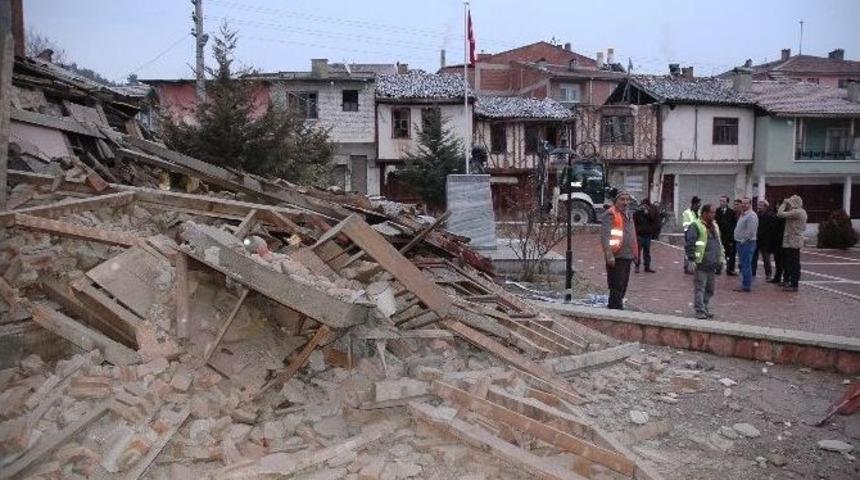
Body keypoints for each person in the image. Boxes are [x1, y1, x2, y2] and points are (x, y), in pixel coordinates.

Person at [685, 204, 725, 319]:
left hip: (712, 264)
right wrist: (692, 259)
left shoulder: (714, 226)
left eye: (714, 213)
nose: (713, 215)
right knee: (700, 288)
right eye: (711, 213)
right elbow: (690, 243)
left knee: (710, 289)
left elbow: (719, 244)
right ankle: (700, 310)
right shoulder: (696, 225)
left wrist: (721, 259)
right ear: (704, 213)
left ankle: (705, 306)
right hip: (701, 263)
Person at [601, 191, 638, 310]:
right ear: (616, 201)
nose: (625, 202)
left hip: (628, 255)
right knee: (617, 285)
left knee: (623, 286)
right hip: (617, 255)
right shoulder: (610, 214)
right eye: (622, 199)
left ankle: (616, 306)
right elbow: (605, 236)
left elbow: (632, 235)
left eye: (627, 200)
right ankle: (615, 309)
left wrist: (635, 253)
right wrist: (609, 254)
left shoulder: (629, 214)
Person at [777, 195, 808, 292]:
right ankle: (790, 281)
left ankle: (794, 284)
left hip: (793, 241)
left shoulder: (797, 212)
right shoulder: (801, 211)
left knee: (793, 263)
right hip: (793, 240)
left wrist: (784, 203)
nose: (789, 205)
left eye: (791, 202)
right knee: (791, 262)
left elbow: (780, 214)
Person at [733, 197, 759, 292]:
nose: (743, 205)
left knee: (746, 264)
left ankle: (746, 286)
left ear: (750, 204)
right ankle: (744, 284)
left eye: (746, 203)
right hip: (740, 242)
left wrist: (743, 241)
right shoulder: (743, 214)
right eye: (742, 203)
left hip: (747, 243)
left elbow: (751, 232)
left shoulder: (751, 216)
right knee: (743, 264)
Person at [633, 199, 659, 273]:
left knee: (647, 252)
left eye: (646, 206)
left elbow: (653, 219)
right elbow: (634, 223)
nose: (644, 207)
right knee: (638, 252)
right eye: (643, 206)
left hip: (647, 235)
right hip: (639, 235)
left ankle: (647, 267)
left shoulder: (650, 213)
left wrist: (648, 213)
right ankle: (637, 266)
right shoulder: (637, 213)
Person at [715, 196, 738, 276]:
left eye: (723, 201)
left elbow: (734, 225)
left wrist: (732, 237)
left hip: (728, 237)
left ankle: (730, 269)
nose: (721, 203)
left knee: (730, 254)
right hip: (719, 236)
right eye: (720, 201)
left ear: (727, 202)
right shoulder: (717, 211)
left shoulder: (731, 212)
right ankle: (718, 269)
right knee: (718, 253)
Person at [753, 200, 776, 280]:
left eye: (761, 205)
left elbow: (771, 229)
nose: (758, 207)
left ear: (766, 206)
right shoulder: (756, 215)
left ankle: (768, 274)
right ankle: (753, 273)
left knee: (766, 258)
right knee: (753, 257)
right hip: (756, 239)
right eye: (758, 205)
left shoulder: (770, 215)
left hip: (766, 240)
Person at [681, 196, 701, 274]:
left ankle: (695, 266)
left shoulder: (699, 212)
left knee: (697, 251)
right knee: (688, 250)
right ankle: (687, 267)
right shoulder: (687, 212)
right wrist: (694, 225)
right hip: (689, 234)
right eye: (698, 204)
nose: (699, 205)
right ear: (694, 204)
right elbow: (686, 225)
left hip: (698, 235)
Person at [768, 206, 787, 285]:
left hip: (782, 242)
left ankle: (785, 279)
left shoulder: (784, 217)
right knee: (777, 260)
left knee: (783, 262)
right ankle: (777, 277)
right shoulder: (775, 216)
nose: (778, 207)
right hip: (776, 242)